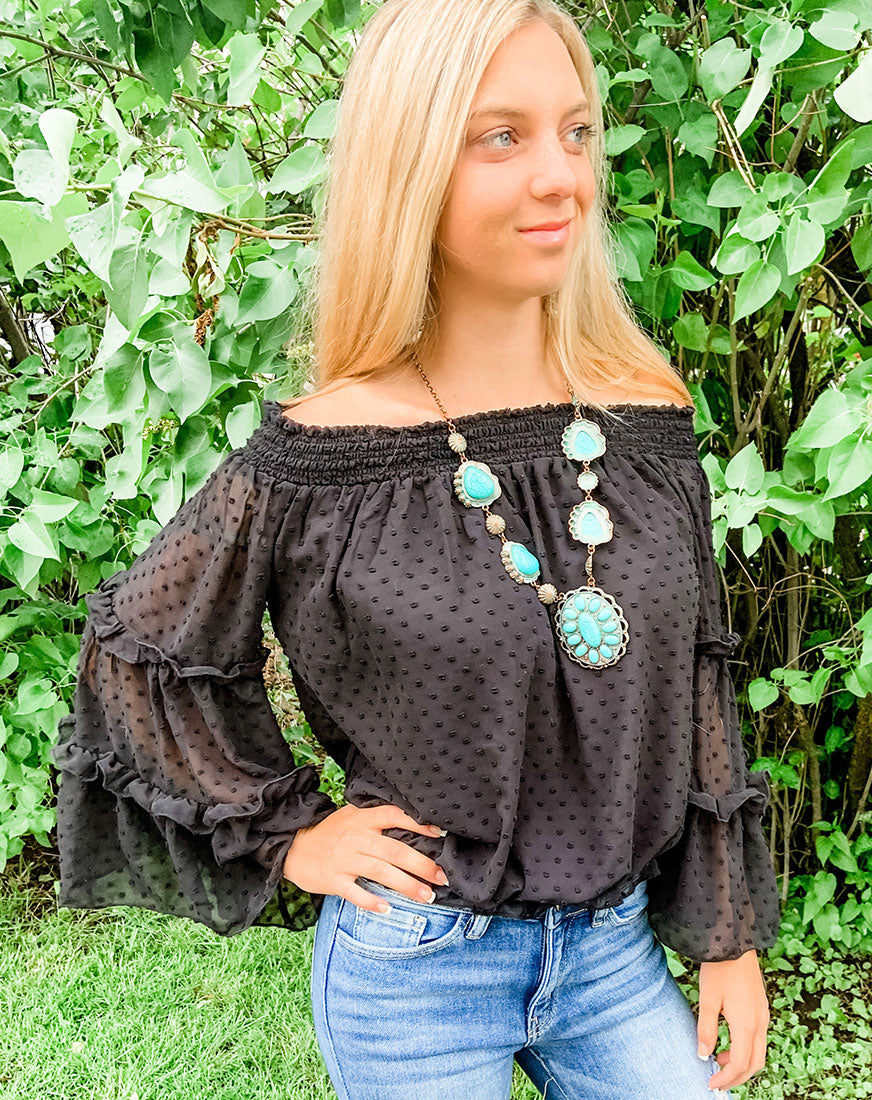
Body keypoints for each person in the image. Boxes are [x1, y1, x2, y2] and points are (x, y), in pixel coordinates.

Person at [51, 1, 780, 1097]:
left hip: (615, 952)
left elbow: (696, 679)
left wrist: (726, 933)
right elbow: (138, 649)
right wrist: (291, 834)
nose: (561, 176)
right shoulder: (325, 452)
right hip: (418, 968)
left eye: (575, 131)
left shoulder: (642, 414)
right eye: (502, 136)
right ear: (410, 163)